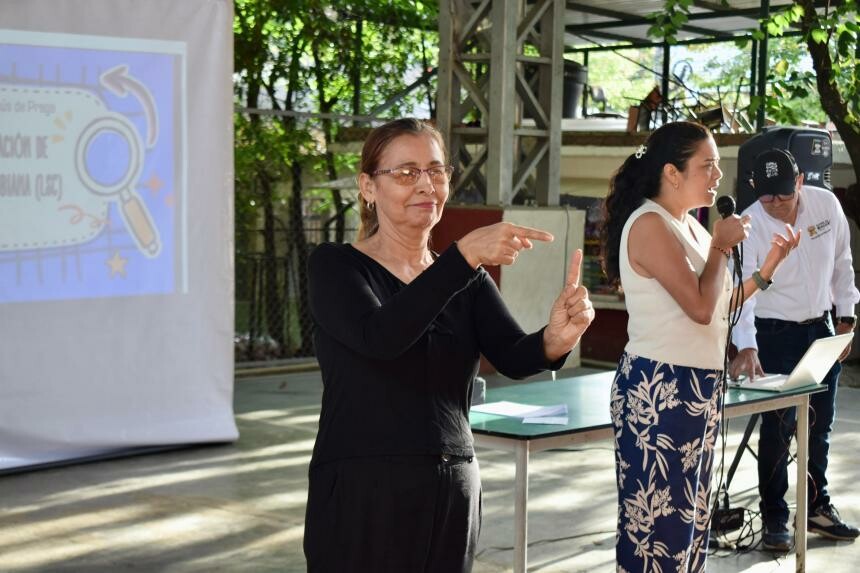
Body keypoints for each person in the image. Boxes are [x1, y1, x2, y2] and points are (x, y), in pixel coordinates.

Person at [302, 118, 595, 573]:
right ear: (367, 187)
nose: (425, 185)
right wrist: (461, 258)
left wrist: (555, 338)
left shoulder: (465, 279)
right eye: (406, 172)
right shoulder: (337, 267)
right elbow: (381, 338)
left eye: (436, 171)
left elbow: (514, 356)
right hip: (363, 488)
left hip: (451, 483)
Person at [600, 122, 799, 572]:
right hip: (660, 391)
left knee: (689, 527)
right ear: (672, 172)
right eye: (706, 165)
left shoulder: (688, 225)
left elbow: (720, 302)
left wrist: (766, 270)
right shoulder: (649, 224)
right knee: (657, 531)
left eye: (718, 164)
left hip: (699, 388)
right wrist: (719, 249)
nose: (717, 174)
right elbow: (699, 307)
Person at [729, 148, 860, 551]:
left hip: (820, 330)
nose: (776, 205)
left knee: (819, 427)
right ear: (755, 189)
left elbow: (842, 262)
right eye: (767, 197)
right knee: (778, 430)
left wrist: (847, 318)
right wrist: (746, 345)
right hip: (772, 335)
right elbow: (742, 296)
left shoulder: (826, 204)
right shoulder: (749, 224)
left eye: (783, 196)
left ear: (800, 181)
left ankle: (817, 507)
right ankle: (775, 520)